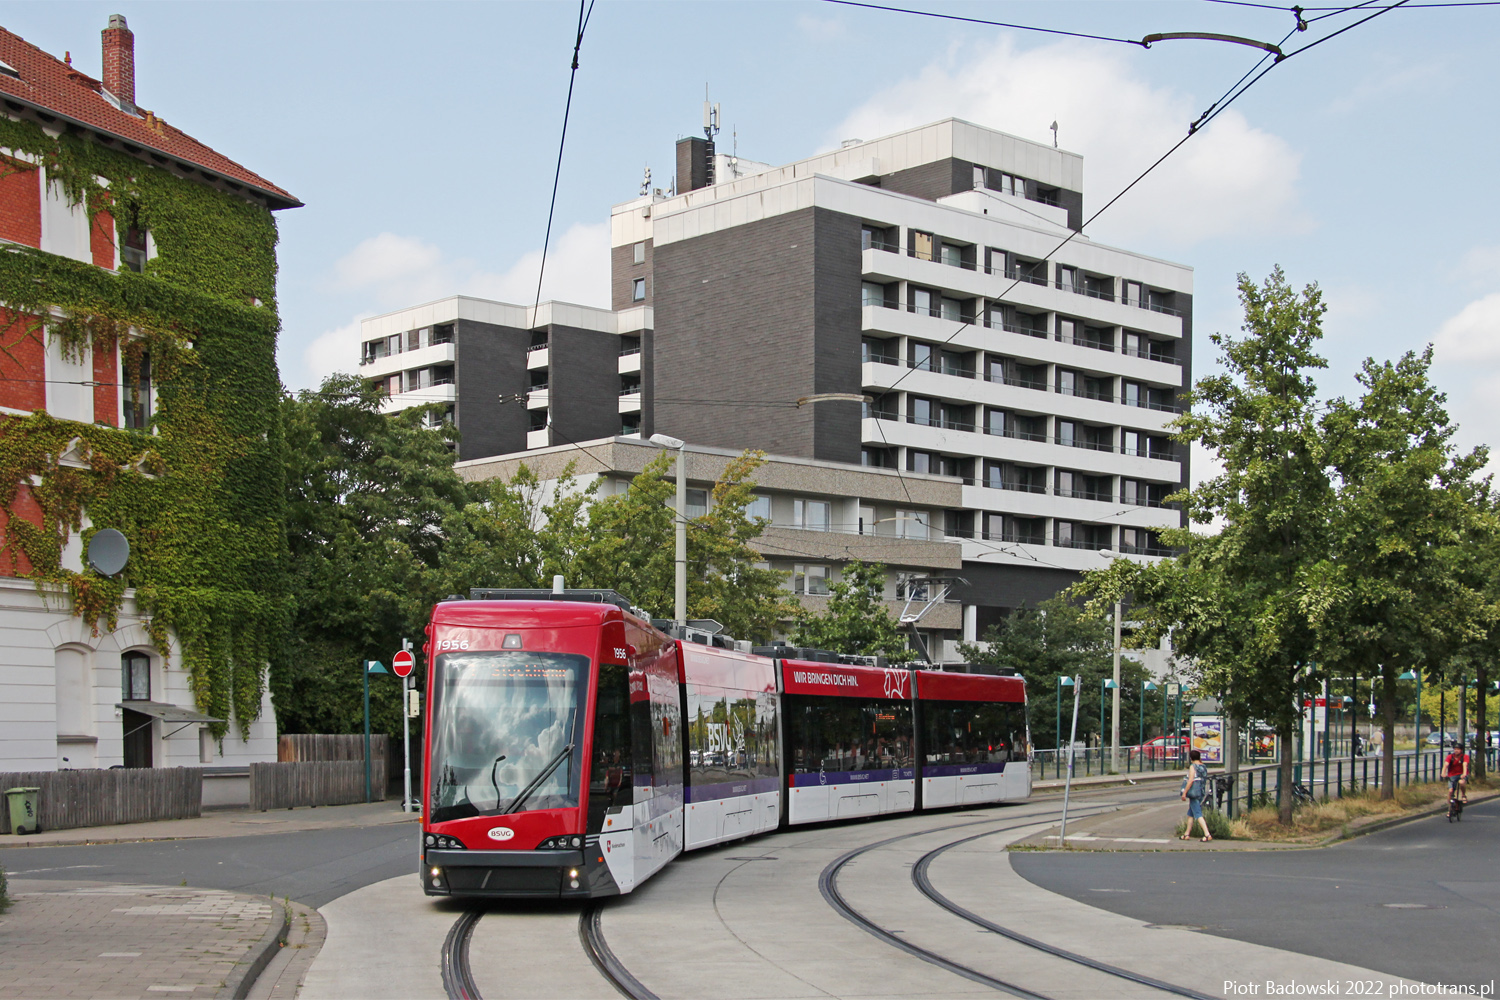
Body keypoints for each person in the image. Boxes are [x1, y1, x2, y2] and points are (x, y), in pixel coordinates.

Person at [1179, 749, 1213, 842]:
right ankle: (1186, 834)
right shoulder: (1203, 766)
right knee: (1191, 813)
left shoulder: (1193, 766)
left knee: (1198, 814)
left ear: (1191, 758)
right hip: (1201, 792)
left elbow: (1190, 780)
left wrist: (1185, 792)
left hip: (1194, 793)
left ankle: (1207, 834)